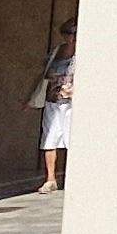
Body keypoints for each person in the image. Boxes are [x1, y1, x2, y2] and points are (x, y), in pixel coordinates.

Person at [33, 21, 77, 193]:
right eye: (66, 33)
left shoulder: (85, 53)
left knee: (72, 138)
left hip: (73, 103)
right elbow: (43, 73)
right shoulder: (57, 51)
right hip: (53, 99)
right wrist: (32, 98)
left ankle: (71, 176)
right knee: (50, 137)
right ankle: (50, 178)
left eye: (73, 33)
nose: (70, 37)